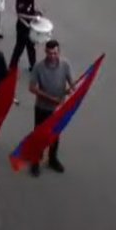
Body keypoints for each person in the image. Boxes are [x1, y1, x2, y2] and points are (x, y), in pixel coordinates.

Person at [28, 40, 73, 176]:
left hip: (58, 108)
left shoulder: (65, 64)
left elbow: (71, 81)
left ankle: (52, 159)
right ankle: (35, 161)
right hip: (42, 107)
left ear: (59, 52)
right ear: (45, 52)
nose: (52, 56)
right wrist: (51, 99)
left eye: (55, 53)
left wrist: (73, 89)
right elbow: (32, 88)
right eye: (50, 53)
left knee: (55, 134)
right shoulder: (39, 67)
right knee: (39, 134)